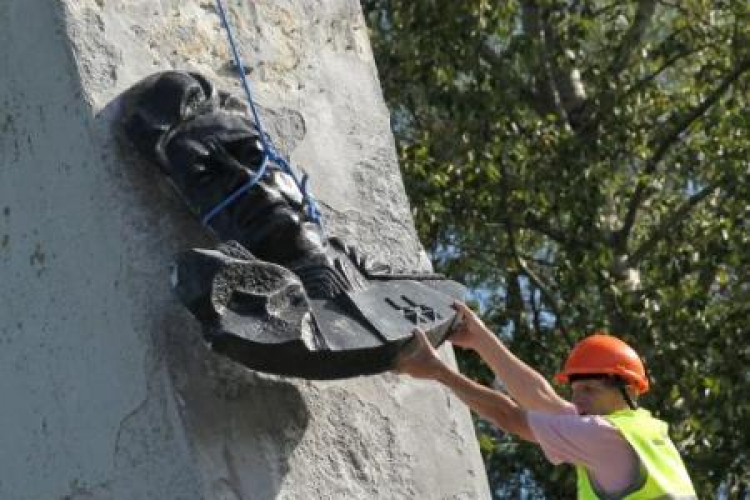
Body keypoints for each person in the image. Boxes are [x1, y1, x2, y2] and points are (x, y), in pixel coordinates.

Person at [395, 301, 697, 499]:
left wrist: (438, 372)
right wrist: (481, 339)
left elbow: (509, 417)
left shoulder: (603, 435)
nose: (578, 401)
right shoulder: (641, 430)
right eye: (575, 391)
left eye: (589, 390)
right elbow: (541, 398)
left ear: (628, 391)